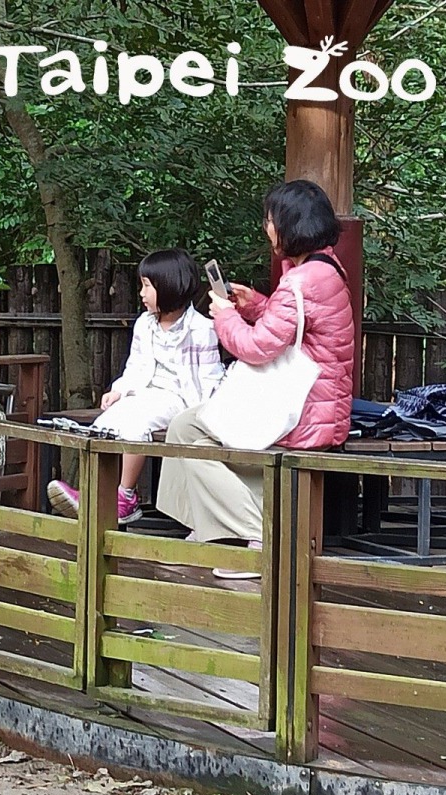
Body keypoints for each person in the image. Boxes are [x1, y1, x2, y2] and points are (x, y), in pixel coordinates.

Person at [155, 179, 355, 579]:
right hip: (314, 404)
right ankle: (210, 529)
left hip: (299, 413)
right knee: (182, 424)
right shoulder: (323, 267)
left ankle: (260, 539)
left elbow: (255, 348)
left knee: (193, 434)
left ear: (290, 224)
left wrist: (225, 315)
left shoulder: (302, 281)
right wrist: (256, 305)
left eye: (270, 220)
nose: (266, 228)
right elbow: (295, 329)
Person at [47, 249, 225, 524]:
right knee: (107, 421)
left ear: (169, 286)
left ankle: (126, 497)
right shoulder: (144, 324)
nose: (141, 293)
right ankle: (96, 493)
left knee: (136, 424)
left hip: (181, 399)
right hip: (146, 393)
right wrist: (118, 390)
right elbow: (136, 367)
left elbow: (211, 378)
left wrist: (208, 415)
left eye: (147, 286)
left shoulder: (202, 329)